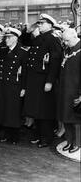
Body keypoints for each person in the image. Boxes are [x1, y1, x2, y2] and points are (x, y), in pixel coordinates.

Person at [23, 14, 63, 148]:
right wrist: (29, 29)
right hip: (34, 79)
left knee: (45, 111)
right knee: (36, 109)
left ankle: (46, 138)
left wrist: (50, 81)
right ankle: (39, 135)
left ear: (50, 25)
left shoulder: (53, 39)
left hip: (44, 79)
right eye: (38, 23)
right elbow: (25, 41)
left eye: (42, 23)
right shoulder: (40, 38)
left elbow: (55, 61)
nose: (39, 25)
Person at [0, 28, 29, 144]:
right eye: (5, 37)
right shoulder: (3, 50)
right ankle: (6, 134)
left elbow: (25, 72)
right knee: (3, 110)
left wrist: (23, 88)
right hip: (2, 84)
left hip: (15, 85)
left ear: (15, 39)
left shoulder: (23, 52)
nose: (6, 40)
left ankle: (14, 136)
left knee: (13, 111)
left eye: (8, 38)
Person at [57, 28, 81, 154]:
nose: (65, 43)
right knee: (65, 117)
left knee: (75, 119)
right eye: (64, 40)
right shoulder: (67, 49)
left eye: (67, 40)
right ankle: (69, 140)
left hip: (76, 91)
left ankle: (77, 143)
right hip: (64, 89)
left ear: (74, 36)